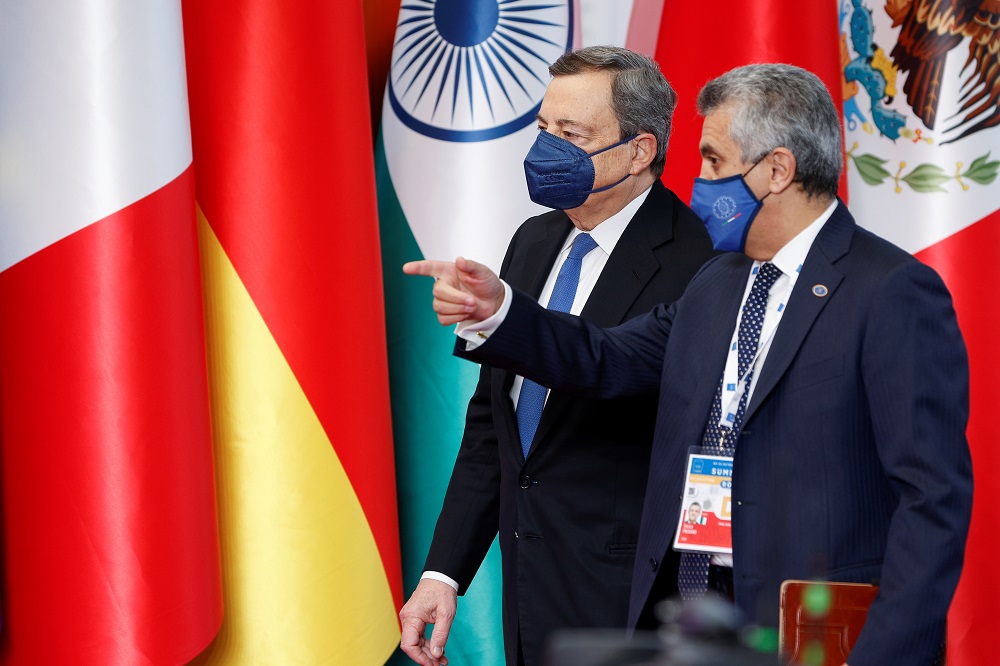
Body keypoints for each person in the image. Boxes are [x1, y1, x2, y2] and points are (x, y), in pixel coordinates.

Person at [404, 63, 972, 665]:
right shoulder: (718, 281)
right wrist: (500, 312)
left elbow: (931, 502)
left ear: (778, 170)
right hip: (701, 617)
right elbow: (605, 358)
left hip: (816, 629)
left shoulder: (891, 290)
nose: (699, 181)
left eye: (715, 161)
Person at [397, 46, 715, 666]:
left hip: (633, 605)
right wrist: (443, 573)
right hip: (526, 594)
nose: (547, 148)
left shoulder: (700, 258)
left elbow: (602, 366)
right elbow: (493, 424)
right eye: (544, 128)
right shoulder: (534, 239)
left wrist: (501, 316)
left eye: (571, 135)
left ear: (639, 151)